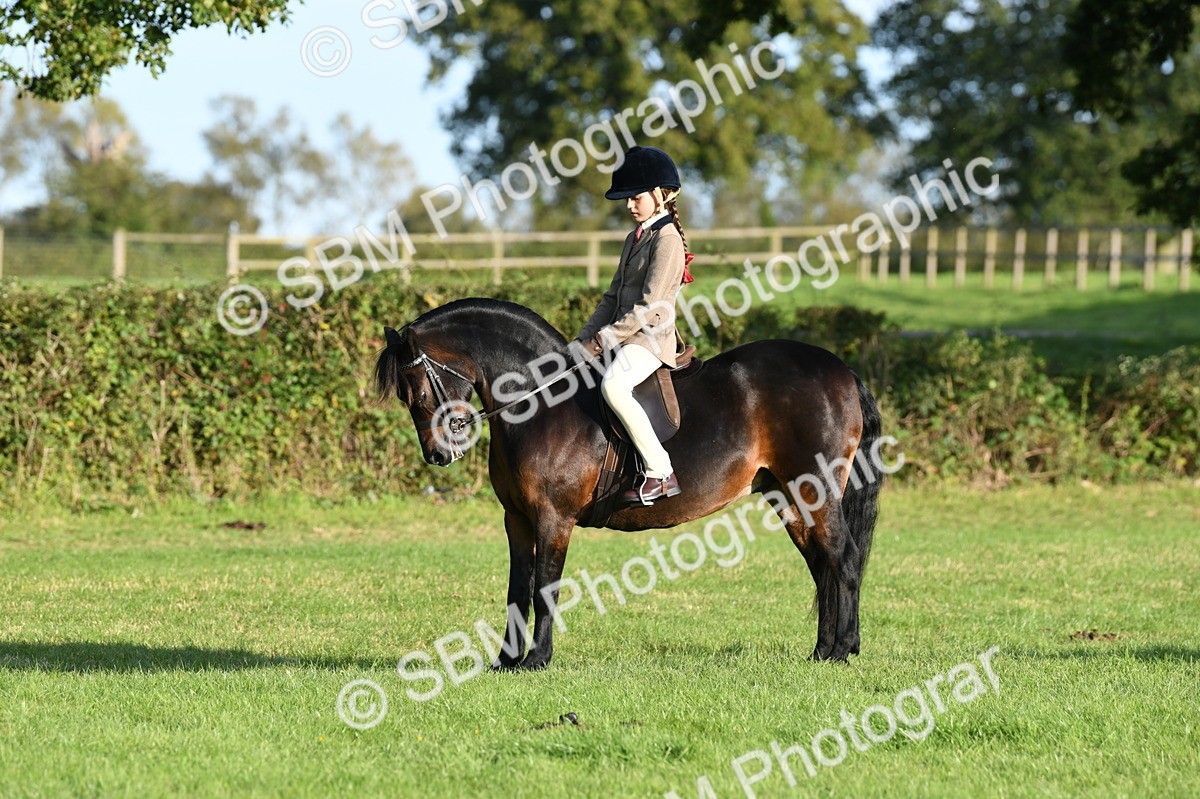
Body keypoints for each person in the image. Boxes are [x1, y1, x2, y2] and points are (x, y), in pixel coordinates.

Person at [574, 145, 693, 505]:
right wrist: (581, 341)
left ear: (662, 195)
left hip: (650, 340)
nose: (629, 205)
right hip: (626, 337)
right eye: (626, 199)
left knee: (613, 386)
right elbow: (612, 298)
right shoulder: (635, 238)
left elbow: (650, 307)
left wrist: (604, 340)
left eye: (635, 197)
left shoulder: (668, 239)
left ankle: (660, 471)